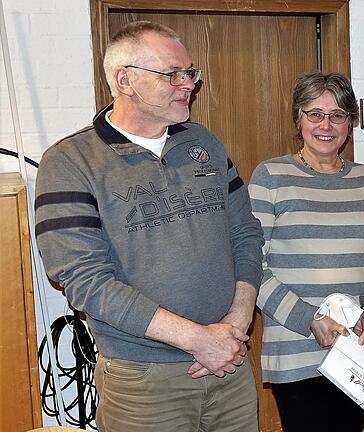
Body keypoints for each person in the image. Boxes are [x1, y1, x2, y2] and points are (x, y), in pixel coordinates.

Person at [34, 21, 264, 431]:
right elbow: (84, 280)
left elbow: (245, 233)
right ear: (125, 80)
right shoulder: (69, 163)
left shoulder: (203, 143)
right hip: (143, 381)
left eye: (190, 73)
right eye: (171, 74)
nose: (187, 84)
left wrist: (236, 322)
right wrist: (198, 339)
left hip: (229, 364)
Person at [248, 72, 364, 431]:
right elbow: (251, 267)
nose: (326, 124)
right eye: (314, 113)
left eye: (337, 115)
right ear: (298, 119)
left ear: (350, 123)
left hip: (360, 348)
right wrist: (309, 319)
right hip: (298, 349)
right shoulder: (270, 177)